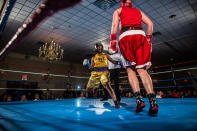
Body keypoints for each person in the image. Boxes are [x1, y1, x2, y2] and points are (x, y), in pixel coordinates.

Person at [109, 0, 158, 114]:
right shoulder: (138, 11)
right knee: (142, 70)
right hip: (140, 36)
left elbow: (115, 25)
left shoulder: (118, 10)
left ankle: (139, 100)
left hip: (126, 37)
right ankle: (153, 102)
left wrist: (113, 43)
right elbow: (150, 24)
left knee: (130, 70)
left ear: (122, 3)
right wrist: (148, 40)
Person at [86, 43, 120, 108]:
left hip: (104, 72)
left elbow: (113, 61)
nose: (100, 48)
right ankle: (95, 88)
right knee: (88, 89)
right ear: (96, 48)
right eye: (99, 47)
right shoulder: (93, 57)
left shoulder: (106, 55)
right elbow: (91, 67)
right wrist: (88, 66)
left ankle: (116, 103)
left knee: (108, 87)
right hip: (95, 73)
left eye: (101, 47)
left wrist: (119, 62)